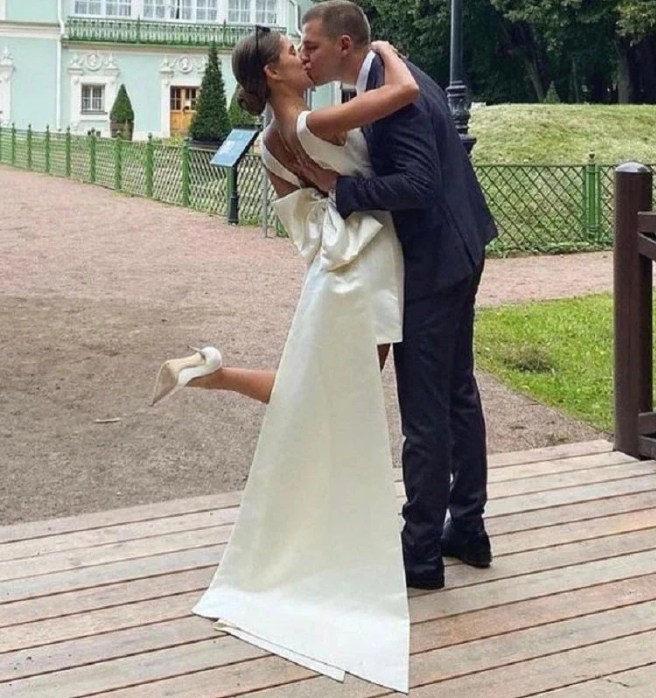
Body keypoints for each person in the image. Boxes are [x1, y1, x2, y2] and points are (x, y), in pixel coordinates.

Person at [151, 29, 419, 693]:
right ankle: (217, 380)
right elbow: (404, 92)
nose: (304, 55)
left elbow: (307, 207)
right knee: (340, 392)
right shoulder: (313, 120)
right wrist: (381, 47)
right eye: (292, 50)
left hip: (339, 263)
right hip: (359, 262)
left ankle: (212, 373)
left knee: (319, 390)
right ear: (273, 72)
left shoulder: (277, 133)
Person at [297, 0, 499, 591]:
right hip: (462, 245)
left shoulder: (389, 82)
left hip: (436, 261)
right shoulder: (388, 72)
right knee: (457, 390)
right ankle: (468, 529)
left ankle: (420, 553)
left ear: (342, 45)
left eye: (310, 45)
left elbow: (416, 183)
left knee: (425, 406)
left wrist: (345, 192)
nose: (303, 54)